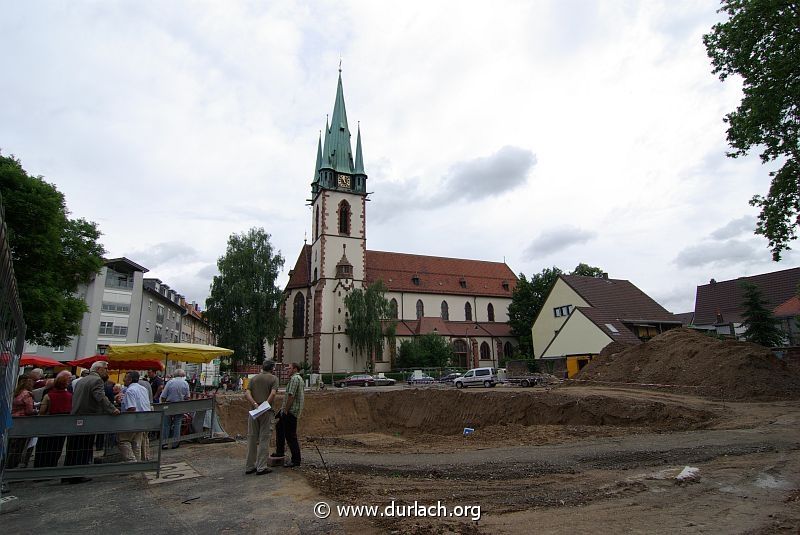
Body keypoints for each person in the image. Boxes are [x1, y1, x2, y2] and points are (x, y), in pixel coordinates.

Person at [64, 361, 120, 484]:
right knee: (84, 446)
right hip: (88, 417)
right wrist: (113, 409)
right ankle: (78, 474)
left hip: (76, 416)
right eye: (105, 369)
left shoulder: (81, 380)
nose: (107, 371)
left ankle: (67, 474)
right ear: (99, 369)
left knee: (73, 447)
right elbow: (100, 397)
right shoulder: (97, 380)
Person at [244, 360, 278, 475]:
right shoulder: (273, 379)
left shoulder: (253, 379)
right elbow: (273, 394)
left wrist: (255, 405)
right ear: (272, 368)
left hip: (254, 411)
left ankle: (249, 466)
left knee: (252, 438)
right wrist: (264, 406)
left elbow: (247, 393)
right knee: (264, 438)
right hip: (266, 412)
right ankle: (261, 467)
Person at [34, 371, 73, 468]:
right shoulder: (70, 396)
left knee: (43, 446)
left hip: (47, 425)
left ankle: (39, 468)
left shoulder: (48, 395)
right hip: (62, 425)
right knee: (57, 447)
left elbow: (42, 411)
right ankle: (52, 466)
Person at [274, 362, 304, 468]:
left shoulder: (295, 379)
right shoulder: (297, 379)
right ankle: (280, 451)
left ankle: (296, 460)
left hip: (291, 411)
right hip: (289, 410)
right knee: (279, 427)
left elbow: (291, 396)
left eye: (289, 368)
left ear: (295, 369)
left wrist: (285, 410)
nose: (287, 369)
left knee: (291, 436)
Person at [118, 371, 151, 462]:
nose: (124, 379)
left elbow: (131, 408)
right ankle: (137, 464)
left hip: (133, 420)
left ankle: (132, 461)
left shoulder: (130, 390)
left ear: (130, 379)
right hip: (144, 418)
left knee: (123, 441)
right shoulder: (143, 389)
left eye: (125, 377)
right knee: (136, 444)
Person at [5, 375, 35, 468]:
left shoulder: (14, 392)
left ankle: (5, 464)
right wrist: (36, 410)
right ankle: (11, 466)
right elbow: (29, 411)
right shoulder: (27, 394)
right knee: (18, 446)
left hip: (11, 420)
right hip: (23, 422)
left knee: (9, 444)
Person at [159, 368, 190, 449]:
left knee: (166, 424)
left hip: (169, 405)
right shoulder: (185, 383)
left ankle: (164, 443)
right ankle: (175, 443)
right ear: (182, 375)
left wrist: (163, 404)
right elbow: (187, 397)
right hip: (180, 405)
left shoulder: (170, 382)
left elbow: (163, 396)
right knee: (177, 424)